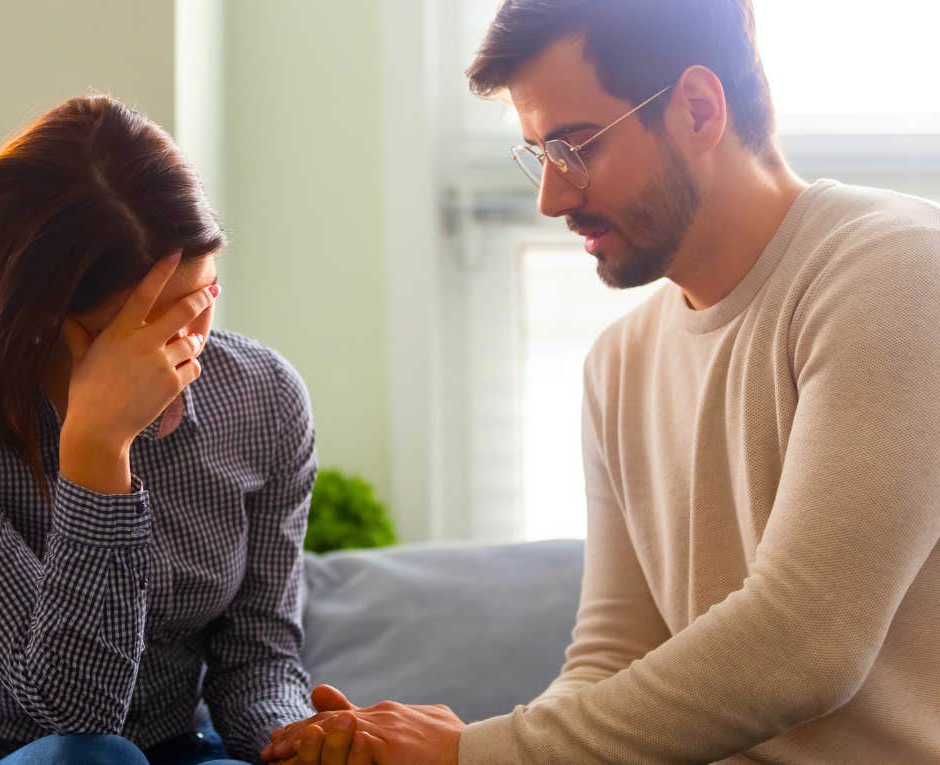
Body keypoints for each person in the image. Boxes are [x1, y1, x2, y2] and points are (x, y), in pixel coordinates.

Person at [261, 0, 940, 762]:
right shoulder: (619, 361)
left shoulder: (897, 272)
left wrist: (471, 753)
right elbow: (608, 657)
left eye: (575, 146)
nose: (551, 197)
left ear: (697, 107)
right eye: (538, 155)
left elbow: (807, 639)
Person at [0, 95, 318, 765]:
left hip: (180, 747)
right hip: (6, 751)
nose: (186, 345)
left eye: (203, 296)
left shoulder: (263, 398)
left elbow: (257, 656)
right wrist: (96, 450)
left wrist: (296, 739)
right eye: (144, 326)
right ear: (44, 315)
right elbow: (79, 712)